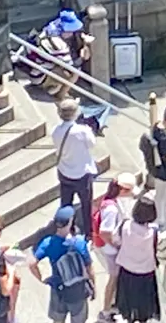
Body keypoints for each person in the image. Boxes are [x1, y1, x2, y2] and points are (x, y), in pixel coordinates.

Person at [28, 206, 94, 323]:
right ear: (70, 222)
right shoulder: (79, 242)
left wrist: (41, 279)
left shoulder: (48, 242)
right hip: (78, 289)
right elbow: (89, 267)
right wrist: (93, 286)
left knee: (58, 320)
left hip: (58, 288)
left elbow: (32, 263)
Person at [53, 99, 99, 243]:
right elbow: (92, 144)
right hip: (81, 173)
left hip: (64, 171)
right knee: (86, 203)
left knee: (66, 202)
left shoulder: (56, 131)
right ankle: (88, 233)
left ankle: (67, 228)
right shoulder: (82, 131)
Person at [95, 174, 137, 321]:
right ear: (123, 190)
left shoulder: (109, 200)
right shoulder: (112, 209)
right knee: (113, 279)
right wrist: (116, 245)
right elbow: (104, 232)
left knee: (115, 278)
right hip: (112, 251)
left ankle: (112, 304)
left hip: (111, 249)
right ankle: (106, 310)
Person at [112, 197, 160, 323]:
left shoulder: (125, 225)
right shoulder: (154, 232)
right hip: (146, 272)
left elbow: (115, 240)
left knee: (127, 302)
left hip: (127, 270)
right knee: (144, 304)